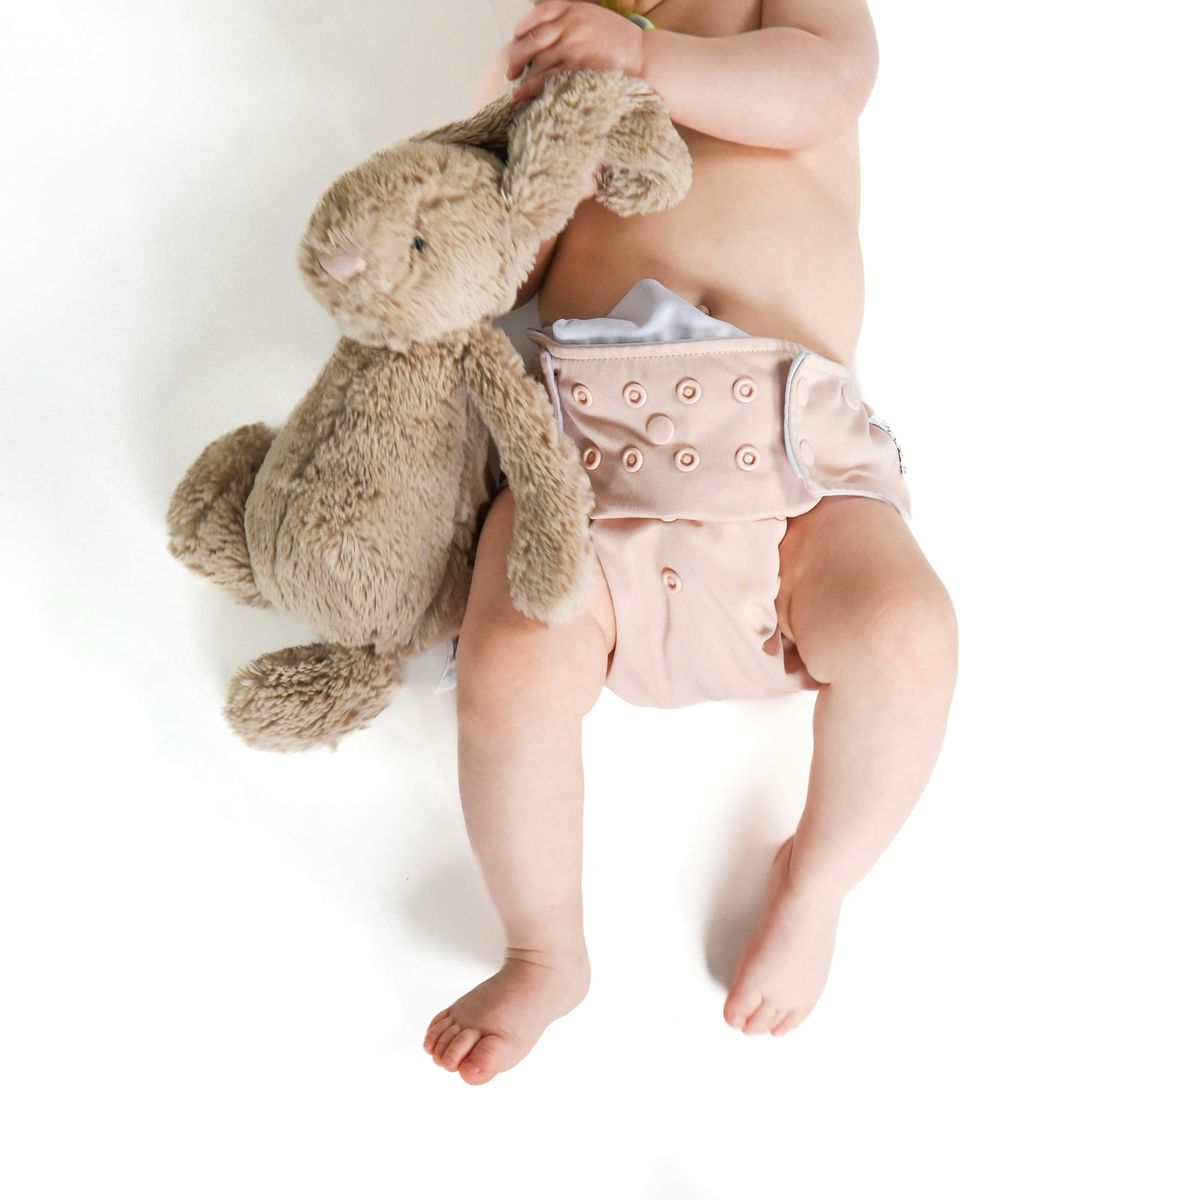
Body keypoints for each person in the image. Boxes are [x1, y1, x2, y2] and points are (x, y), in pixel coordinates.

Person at [423, 0, 958, 1086]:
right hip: (590, 461)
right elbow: (502, 262)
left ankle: (816, 885)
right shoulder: (560, 33)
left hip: (795, 471)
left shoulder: (784, 17)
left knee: (908, 638)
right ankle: (545, 947)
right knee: (510, 670)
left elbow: (825, 88)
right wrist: (527, 145)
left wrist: (646, 61)